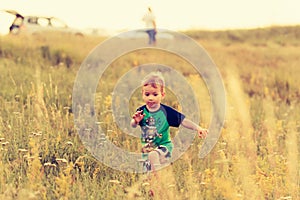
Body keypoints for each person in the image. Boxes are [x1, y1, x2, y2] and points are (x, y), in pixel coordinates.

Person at [130, 71, 208, 171]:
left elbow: (183, 121)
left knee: (154, 157)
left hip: (164, 146)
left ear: (162, 95)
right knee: (149, 173)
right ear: (142, 94)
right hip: (147, 149)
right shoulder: (141, 111)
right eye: (147, 94)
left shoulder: (166, 112)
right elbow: (132, 125)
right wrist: (135, 121)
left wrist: (198, 128)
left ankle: (157, 181)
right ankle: (158, 183)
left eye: (155, 94)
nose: (150, 98)